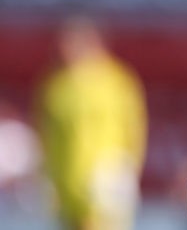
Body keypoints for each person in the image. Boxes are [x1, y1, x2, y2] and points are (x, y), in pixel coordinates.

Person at [35, 16, 148, 230]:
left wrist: (126, 170)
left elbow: (134, 130)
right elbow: (46, 137)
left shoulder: (118, 81)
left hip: (104, 183)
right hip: (67, 187)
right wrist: (48, 180)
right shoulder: (55, 87)